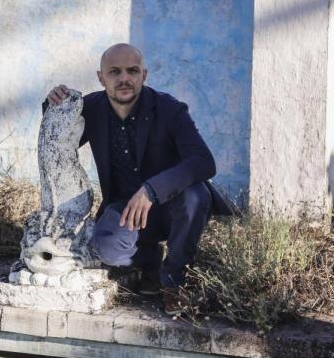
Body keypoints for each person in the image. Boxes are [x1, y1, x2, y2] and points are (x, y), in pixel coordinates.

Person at [45, 43, 231, 315]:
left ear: (144, 75)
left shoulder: (170, 110)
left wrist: (152, 190)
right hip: (124, 209)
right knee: (106, 250)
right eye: (115, 72)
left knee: (196, 195)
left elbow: (203, 161)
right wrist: (53, 103)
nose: (124, 78)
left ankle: (175, 280)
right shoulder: (92, 108)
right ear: (101, 77)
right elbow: (59, 137)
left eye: (132, 71)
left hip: (171, 206)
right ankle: (151, 262)